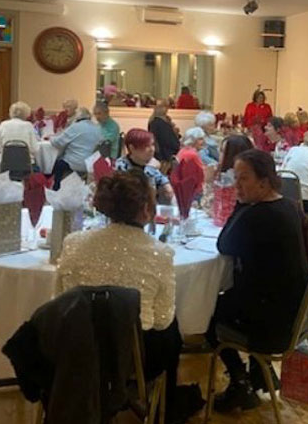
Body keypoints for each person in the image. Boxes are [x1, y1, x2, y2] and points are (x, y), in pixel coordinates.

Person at [56, 170, 202, 423]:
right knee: (171, 329)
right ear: (146, 209)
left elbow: (59, 299)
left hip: (79, 350)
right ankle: (162, 405)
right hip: (137, 357)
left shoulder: (73, 242)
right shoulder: (159, 253)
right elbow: (162, 320)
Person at [210, 149, 308, 413]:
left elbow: (224, 244)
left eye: (243, 179)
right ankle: (258, 371)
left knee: (206, 313)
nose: (236, 185)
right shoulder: (289, 206)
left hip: (272, 323)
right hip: (296, 311)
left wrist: (240, 204)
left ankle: (239, 383)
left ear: (264, 183)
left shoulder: (258, 215)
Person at [115, 129, 175, 204]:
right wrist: (150, 169)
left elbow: (160, 177)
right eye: (146, 146)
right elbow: (139, 191)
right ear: (132, 148)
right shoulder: (121, 166)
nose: (152, 149)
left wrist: (167, 184)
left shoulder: (148, 161)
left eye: (152, 144)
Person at [49, 107, 103, 190]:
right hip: (90, 163)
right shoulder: (97, 128)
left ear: (76, 118)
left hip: (74, 162)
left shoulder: (76, 127)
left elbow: (58, 142)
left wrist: (51, 138)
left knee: (55, 164)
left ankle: (56, 189)